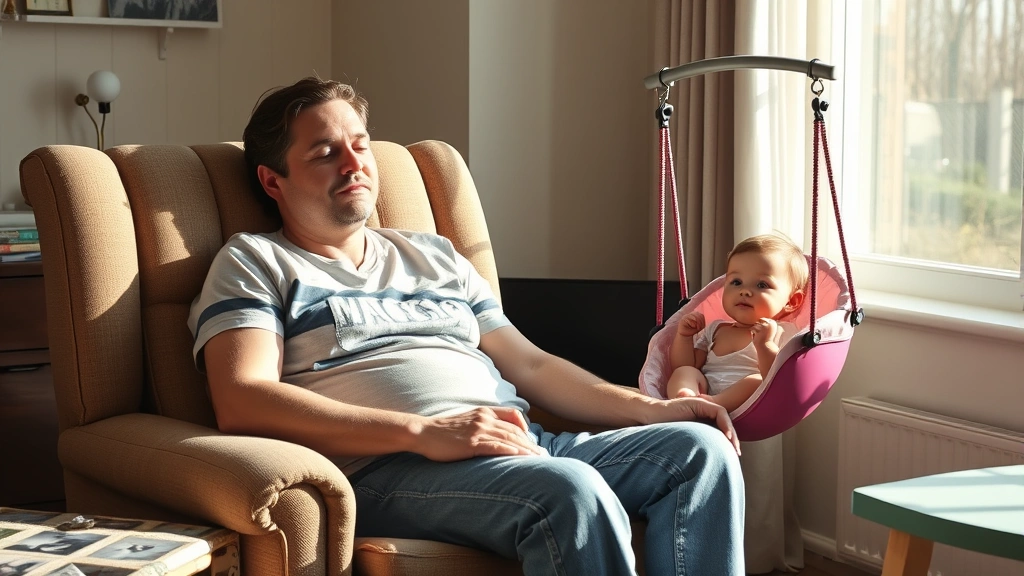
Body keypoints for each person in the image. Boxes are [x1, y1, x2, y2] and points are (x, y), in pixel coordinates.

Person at [188, 76, 745, 575]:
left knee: (700, 452)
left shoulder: (433, 255)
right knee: (568, 490)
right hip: (388, 470)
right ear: (272, 180)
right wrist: (427, 434)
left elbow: (530, 364)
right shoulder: (256, 262)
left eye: (360, 145)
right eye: (325, 153)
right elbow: (243, 398)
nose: (353, 164)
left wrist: (653, 408)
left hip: (521, 444)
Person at [665, 234, 808, 412]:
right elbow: (686, 365)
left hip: (746, 404)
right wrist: (684, 337)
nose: (745, 291)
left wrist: (764, 344)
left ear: (791, 301)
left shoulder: (782, 331)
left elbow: (777, 380)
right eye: (736, 282)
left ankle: (712, 404)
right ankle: (685, 399)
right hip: (704, 390)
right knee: (684, 373)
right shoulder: (715, 329)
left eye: (762, 285)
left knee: (756, 381)